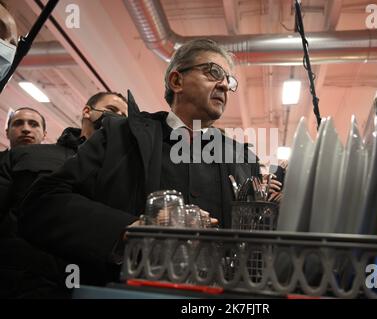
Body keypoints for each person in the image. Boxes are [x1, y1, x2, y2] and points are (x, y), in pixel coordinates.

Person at [18, 38, 260, 286]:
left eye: (228, 80)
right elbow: (43, 202)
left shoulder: (243, 160)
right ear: (176, 81)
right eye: (213, 72)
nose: (223, 85)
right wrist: (132, 229)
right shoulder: (119, 137)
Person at [0, 92, 127, 298]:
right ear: (87, 111)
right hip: (22, 282)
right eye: (112, 110)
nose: (118, 118)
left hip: (91, 286)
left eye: (124, 115)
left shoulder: (120, 174)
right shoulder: (27, 155)